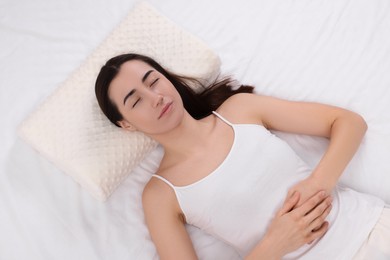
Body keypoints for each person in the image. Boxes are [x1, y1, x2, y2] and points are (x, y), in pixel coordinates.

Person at [95, 53, 389, 259]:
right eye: (135, 100)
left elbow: (350, 123)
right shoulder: (161, 195)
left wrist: (318, 184)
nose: (154, 96)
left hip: (372, 229)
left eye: (153, 80)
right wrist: (276, 243)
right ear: (127, 124)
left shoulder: (239, 110)